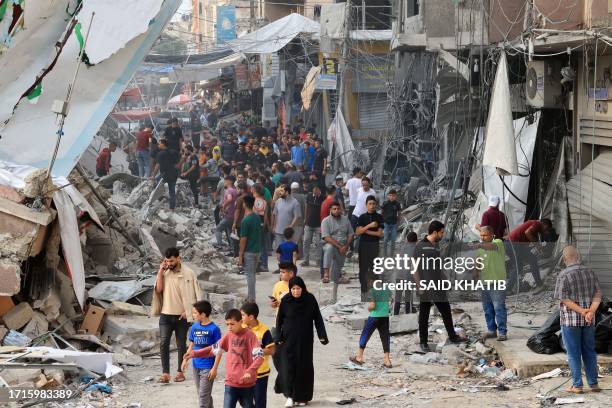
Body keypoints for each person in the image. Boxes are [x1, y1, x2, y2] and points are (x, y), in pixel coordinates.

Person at [183, 309, 264, 408]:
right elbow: (213, 350)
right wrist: (194, 353)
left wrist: (250, 371)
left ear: (241, 322)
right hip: (230, 383)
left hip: (247, 384)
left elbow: (259, 357)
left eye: (232, 324)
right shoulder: (228, 336)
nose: (229, 327)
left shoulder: (250, 336)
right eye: (227, 324)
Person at [554, 246, 602, 394]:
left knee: (573, 353)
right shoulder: (590, 272)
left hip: (570, 321)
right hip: (588, 321)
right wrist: (590, 311)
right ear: (579, 256)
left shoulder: (563, 275)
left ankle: (577, 385)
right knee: (589, 351)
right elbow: (598, 294)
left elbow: (563, 298)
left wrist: (582, 311)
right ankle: (593, 384)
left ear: (564, 259)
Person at [275, 277, 328, 407]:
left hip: (305, 340)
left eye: (298, 288)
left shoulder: (310, 299)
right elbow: (279, 320)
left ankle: (303, 396)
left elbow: (318, 318)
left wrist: (322, 335)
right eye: (293, 289)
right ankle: (290, 396)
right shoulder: (286, 301)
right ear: (290, 289)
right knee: (289, 366)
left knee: (304, 367)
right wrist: (278, 337)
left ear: (302, 288)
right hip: (288, 340)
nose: (296, 291)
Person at [414, 221, 467, 352]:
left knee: (446, 311)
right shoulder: (421, 245)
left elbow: (439, 266)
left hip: (438, 285)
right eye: (441, 232)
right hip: (425, 285)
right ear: (435, 232)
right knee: (424, 314)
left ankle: (453, 336)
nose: (443, 235)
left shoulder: (437, 246)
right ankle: (423, 342)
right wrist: (419, 285)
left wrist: (445, 279)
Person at [152, 247, 202, 383]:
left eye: (172, 261)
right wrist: (160, 272)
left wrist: (190, 311)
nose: (169, 263)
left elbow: (196, 295)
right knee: (163, 343)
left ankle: (180, 372)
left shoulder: (189, 273)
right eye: (167, 261)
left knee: (181, 344)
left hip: (182, 317)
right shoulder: (165, 272)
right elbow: (158, 290)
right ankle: (165, 373)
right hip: (166, 315)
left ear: (179, 258)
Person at [472, 226, 508, 341]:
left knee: (498, 307)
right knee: (487, 308)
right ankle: (491, 330)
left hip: (497, 282)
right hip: (484, 282)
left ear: (492, 235)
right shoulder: (480, 247)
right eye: (481, 235)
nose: (482, 238)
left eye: (485, 235)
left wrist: (479, 245)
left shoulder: (498, 242)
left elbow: (491, 247)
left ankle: (502, 332)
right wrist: (474, 274)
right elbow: (478, 262)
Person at [187, 300, 222, 408]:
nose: (193, 315)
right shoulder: (194, 327)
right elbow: (191, 345)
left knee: (203, 396)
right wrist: (185, 360)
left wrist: (214, 368)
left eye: (195, 313)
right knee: (203, 394)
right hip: (196, 365)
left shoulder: (214, 329)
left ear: (203, 314)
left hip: (207, 367)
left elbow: (218, 350)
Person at [350, 280, 392, 368]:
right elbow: (391, 299)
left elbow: (373, 305)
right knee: (385, 337)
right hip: (385, 317)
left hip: (374, 316)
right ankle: (387, 360)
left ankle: (359, 357)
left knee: (365, 334)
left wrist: (368, 309)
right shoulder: (387, 289)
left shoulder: (372, 291)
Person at [240, 303, 275, 408]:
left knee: (259, 401)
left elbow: (272, 350)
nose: (240, 318)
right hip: (244, 371)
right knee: (243, 399)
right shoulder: (241, 328)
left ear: (251, 317)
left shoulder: (264, 330)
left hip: (260, 373)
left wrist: (257, 351)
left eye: (242, 315)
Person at [321, 202, 354, 302]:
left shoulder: (345, 219)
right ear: (330, 210)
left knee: (336, 272)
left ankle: (334, 297)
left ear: (341, 209)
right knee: (330, 248)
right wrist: (340, 247)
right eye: (334, 209)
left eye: (338, 209)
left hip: (343, 246)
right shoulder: (326, 221)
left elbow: (351, 234)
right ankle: (325, 273)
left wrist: (346, 246)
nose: (336, 211)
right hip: (330, 245)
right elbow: (326, 237)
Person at [507, 218, 553, 290]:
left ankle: (507, 289)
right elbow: (528, 232)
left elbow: (527, 238)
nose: (544, 231)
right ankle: (539, 285)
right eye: (546, 229)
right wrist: (537, 245)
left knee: (519, 266)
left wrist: (535, 247)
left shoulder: (532, 224)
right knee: (532, 260)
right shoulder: (537, 223)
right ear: (545, 225)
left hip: (510, 244)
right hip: (514, 244)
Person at [356, 196, 384, 299]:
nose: (372, 206)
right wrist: (369, 226)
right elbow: (358, 232)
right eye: (370, 204)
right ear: (366, 205)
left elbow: (380, 234)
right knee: (362, 269)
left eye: (373, 204)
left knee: (374, 269)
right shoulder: (362, 217)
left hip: (374, 246)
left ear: (376, 205)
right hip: (363, 246)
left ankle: (374, 293)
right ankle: (364, 292)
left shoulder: (379, 217)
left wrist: (366, 230)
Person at [238, 195, 262, 302]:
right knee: (252, 275)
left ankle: (252, 298)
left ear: (244, 204)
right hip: (257, 250)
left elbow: (243, 239)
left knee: (250, 276)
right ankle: (250, 296)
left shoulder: (245, 221)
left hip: (249, 251)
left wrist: (240, 254)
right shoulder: (256, 217)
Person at [272, 184, 302, 253]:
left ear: (287, 192)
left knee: (288, 251)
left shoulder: (295, 203)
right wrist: (274, 226)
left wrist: (290, 226)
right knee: (279, 251)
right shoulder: (278, 201)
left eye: (282, 191)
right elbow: (275, 214)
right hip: (278, 231)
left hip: (289, 233)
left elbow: (297, 216)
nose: (280, 193)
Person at [151, 139, 180, 210]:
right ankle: (172, 208)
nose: (158, 145)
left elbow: (157, 166)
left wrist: (153, 176)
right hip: (174, 173)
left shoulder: (161, 154)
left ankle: (157, 200)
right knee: (172, 191)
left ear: (163, 144)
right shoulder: (174, 152)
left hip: (165, 174)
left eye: (159, 143)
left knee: (156, 186)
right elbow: (178, 162)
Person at [394, 231, 418, 315]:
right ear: (416, 240)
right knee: (408, 296)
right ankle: (408, 314)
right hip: (408, 277)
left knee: (398, 296)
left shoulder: (402, 247)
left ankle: (395, 313)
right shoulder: (416, 249)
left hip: (399, 275)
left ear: (407, 240)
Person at [302, 185, 324, 267]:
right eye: (314, 191)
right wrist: (305, 218)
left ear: (319, 190)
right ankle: (305, 260)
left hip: (318, 224)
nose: (315, 193)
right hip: (309, 223)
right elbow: (306, 207)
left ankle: (318, 260)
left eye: (316, 191)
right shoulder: (309, 196)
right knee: (306, 241)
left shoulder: (322, 198)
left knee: (318, 243)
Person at [215, 176, 238, 248]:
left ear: (229, 181)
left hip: (228, 215)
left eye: (225, 181)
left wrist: (224, 206)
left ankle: (219, 245)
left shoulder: (229, 190)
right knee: (230, 232)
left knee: (218, 229)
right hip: (233, 215)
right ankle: (232, 248)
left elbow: (229, 199)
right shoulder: (234, 190)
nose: (224, 183)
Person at [253, 184, 271, 272]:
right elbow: (266, 216)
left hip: (256, 225)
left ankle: (259, 264)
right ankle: (264, 265)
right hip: (262, 225)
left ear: (255, 191)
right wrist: (265, 226)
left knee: (258, 246)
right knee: (263, 245)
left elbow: (254, 214)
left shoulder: (254, 201)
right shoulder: (265, 202)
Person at [381, 189, 402, 257]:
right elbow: (381, 212)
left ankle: (392, 255)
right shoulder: (385, 203)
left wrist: (398, 223)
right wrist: (381, 222)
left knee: (393, 239)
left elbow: (399, 214)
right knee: (386, 239)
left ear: (396, 196)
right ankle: (384, 254)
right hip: (386, 224)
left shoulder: (397, 204)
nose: (391, 197)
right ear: (388, 196)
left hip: (394, 224)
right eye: (390, 195)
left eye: (393, 196)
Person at [290, 182, 306, 258]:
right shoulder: (302, 197)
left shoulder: (289, 196)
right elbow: (305, 208)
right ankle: (299, 254)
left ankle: (292, 253)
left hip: (290, 221)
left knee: (290, 237)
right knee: (299, 239)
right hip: (300, 220)